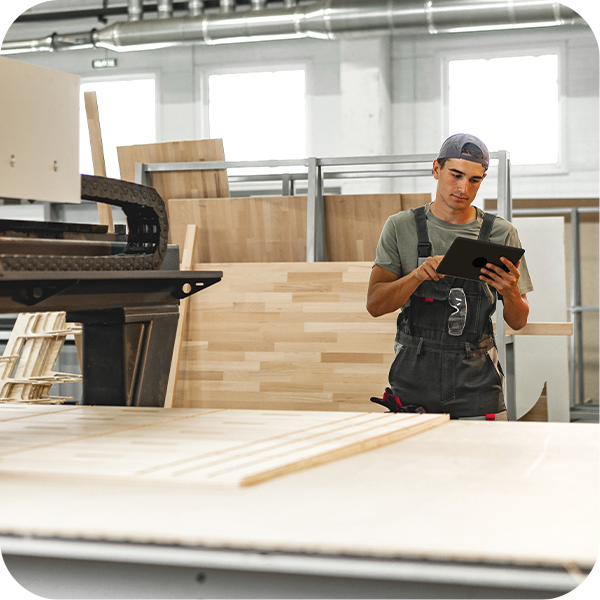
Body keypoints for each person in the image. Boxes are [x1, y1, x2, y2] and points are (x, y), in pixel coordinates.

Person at [366, 133, 533, 420]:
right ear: (436, 169)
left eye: (474, 180)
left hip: (477, 390)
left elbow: (518, 320)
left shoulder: (501, 234)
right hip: (412, 389)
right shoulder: (400, 227)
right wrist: (416, 276)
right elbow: (375, 304)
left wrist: (511, 292)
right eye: (455, 175)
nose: (463, 187)